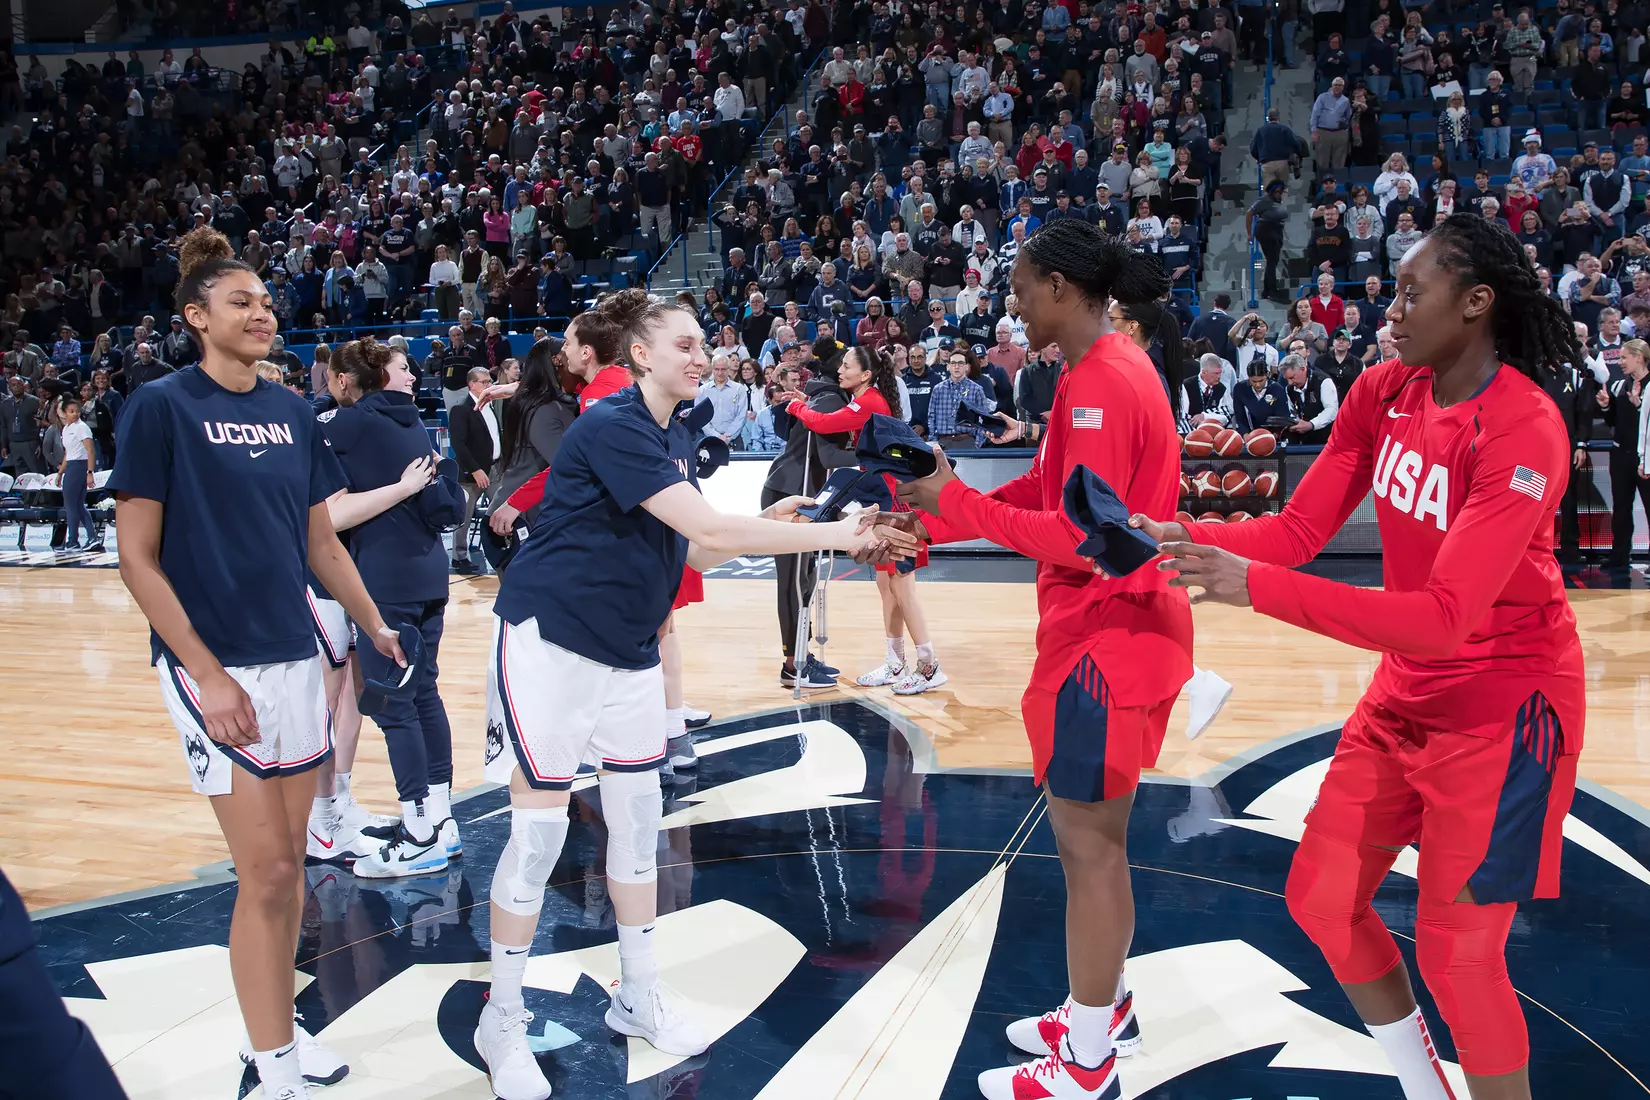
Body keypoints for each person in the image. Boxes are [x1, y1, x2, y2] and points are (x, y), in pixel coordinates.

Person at [1149, 213, 1587, 1100]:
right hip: (1406, 695)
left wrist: (1251, 588)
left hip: (1507, 711)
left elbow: (1443, 619)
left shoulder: (1523, 430)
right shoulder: (1385, 391)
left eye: (1409, 293)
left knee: (1463, 959)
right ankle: (1426, 1087)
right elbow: (1302, 530)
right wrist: (1187, 535)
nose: (1389, 310)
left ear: (1475, 303)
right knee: (1320, 898)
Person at [472, 289, 913, 1099]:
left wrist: (776, 513)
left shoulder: (672, 432)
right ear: (639, 353)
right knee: (536, 840)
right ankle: (500, 1018)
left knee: (639, 828)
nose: (699, 353)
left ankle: (636, 993)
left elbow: (698, 556)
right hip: (551, 641)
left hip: (631, 650)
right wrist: (830, 532)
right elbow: (711, 534)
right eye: (682, 343)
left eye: (701, 342)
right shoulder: (612, 424)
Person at [889, 220, 1193, 1100]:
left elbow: (1078, 534)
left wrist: (957, 504)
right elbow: (1047, 489)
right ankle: (1105, 1008)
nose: (1012, 303)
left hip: (1108, 637)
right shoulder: (1095, 371)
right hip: (1113, 632)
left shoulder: (1101, 382)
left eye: (1021, 288)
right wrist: (946, 506)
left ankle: (1088, 1062)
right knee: (1094, 846)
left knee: (1089, 849)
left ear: (1061, 287)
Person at [110, 227, 404, 1100]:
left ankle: (273, 1037)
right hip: (214, 668)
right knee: (269, 871)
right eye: (241, 302)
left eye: (268, 302)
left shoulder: (289, 413)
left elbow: (321, 540)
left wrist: (373, 623)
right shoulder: (161, 406)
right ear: (197, 316)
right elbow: (136, 556)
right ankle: (273, 1063)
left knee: (294, 876)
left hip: (291, 658)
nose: (262, 313)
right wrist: (205, 673)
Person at [319, 337, 467, 879]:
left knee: (391, 705)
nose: (412, 374)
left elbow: (327, 511)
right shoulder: (414, 422)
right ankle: (442, 821)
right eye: (405, 367)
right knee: (424, 694)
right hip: (430, 575)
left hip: (385, 580)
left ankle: (418, 833)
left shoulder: (350, 422)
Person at [784, 346, 946, 696]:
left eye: (846, 366)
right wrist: (806, 399)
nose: (840, 371)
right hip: (883, 500)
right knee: (887, 590)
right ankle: (894, 661)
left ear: (866, 375)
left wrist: (796, 406)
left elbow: (824, 422)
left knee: (902, 589)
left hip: (898, 504)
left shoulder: (870, 402)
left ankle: (930, 665)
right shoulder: (863, 400)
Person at [1596, 337, 1650, 567]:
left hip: (1645, 458)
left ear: (1638, 357)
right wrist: (1606, 405)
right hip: (1620, 454)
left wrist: (1639, 407)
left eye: (1624, 357)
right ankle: (1619, 555)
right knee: (1621, 507)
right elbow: (1613, 421)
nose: (1620, 362)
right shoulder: (1620, 385)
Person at [449, 365, 503, 573]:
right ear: (472, 384)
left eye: (490, 381)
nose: (490, 385)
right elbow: (459, 444)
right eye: (485, 382)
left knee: (501, 506)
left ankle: (504, 549)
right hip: (472, 473)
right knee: (465, 516)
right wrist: (475, 470)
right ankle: (459, 557)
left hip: (495, 468)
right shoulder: (461, 408)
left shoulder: (489, 405)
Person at [56, 395, 98, 551]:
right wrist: (60, 473)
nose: (75, 414)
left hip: (80, 467)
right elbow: (69, 452)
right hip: (72, 467)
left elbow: (91, 451)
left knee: (71, 505)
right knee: (78, 506)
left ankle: (73, 541)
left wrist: (90, 472)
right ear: (64, 413)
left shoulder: (82, 427)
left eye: (77, 411)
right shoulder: (67, 429)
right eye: (71, 411)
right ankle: (92, 538)